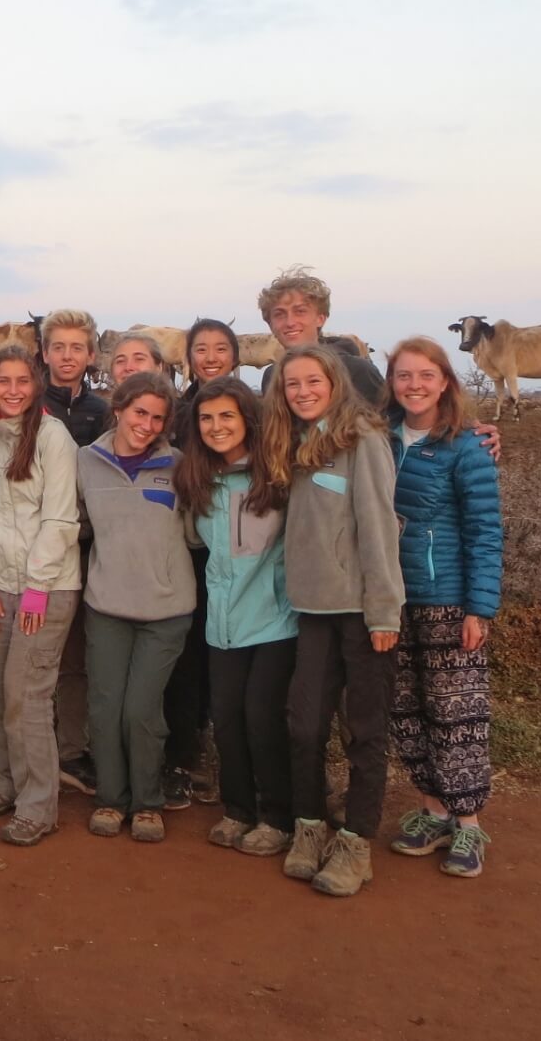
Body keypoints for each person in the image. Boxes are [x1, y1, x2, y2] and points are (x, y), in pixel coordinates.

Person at [263, 344, 404, 897]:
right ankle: (309, 827)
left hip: (362, 610)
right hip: (312, 608)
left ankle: (356, 843)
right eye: (292, 384)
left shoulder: (361, 438)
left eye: (312, 381)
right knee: (304, 725)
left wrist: (385, 610)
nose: (302, 391)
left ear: (334, 381)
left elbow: (377, 525)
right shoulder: (288, 443)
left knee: (365, 732)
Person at [382, 337, 502, 878]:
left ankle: (469, 823)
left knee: (458, 715)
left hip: (447, 600)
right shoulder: (378, 440)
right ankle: (433, 810)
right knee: (408, 711)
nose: (414, 385)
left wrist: (480, 608)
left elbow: (484, 530)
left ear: (446, 381)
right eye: (404, 376)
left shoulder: (466, 446)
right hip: (391, 599)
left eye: (425, 375)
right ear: (391, 382)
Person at [172, 377, 298, 856]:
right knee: (225, 718)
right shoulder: (197, 478)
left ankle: (276, 816)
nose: (216, 426)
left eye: (227, 416)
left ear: (248, 418)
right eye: (206, 418)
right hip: (221, 623)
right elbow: (194, 541)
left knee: (262, 718)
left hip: (273, 619)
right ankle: (238, 808)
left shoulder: (278, 473)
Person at [0, 347, 81, 846]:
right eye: (3, 382)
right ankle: (4, 782)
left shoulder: (54, 438)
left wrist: (37, 588)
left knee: (26, 697)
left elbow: (60, 519)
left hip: (47, 590)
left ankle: (38, 805)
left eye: (22, 381)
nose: (13, 390)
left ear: (35, 386)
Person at [77, 372, 194, 843]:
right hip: (105, 604)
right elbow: (75, 524)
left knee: (141, 710)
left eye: (157, 418)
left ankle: (147, 803)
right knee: (105, 708)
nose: (146, 424)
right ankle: (111, 799)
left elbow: (195, 532)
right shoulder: (86, 461)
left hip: (166, 609)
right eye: (139, 412)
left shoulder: (180, 465)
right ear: (119, 408)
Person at [160, 318, 243, 811]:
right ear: (188, 357)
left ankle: (231, 761)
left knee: (234, 658)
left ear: (235, 354)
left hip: (248, 553)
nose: (210, 357)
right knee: (190, 656)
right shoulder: (182, 410)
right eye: (200, 349)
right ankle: (182, 757)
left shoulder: (255, 408)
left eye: (220, 348)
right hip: (194, 549)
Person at [37, 309, 110, 796]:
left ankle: (71, 752)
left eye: (76, 348)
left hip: (88, 546)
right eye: (58, 347)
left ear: (90, 355)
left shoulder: (101, 412)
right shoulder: (24, 400)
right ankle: (34, 751)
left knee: (78, 658)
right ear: (45, 353)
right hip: (35, 547)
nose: (67, 356)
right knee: (36, 656)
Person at [256, 267, 383, 403]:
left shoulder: (358, 371)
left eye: (300, 311)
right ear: (270, 324)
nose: (290, 322)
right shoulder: (272, 376)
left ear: (320, 318)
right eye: (279, 314)